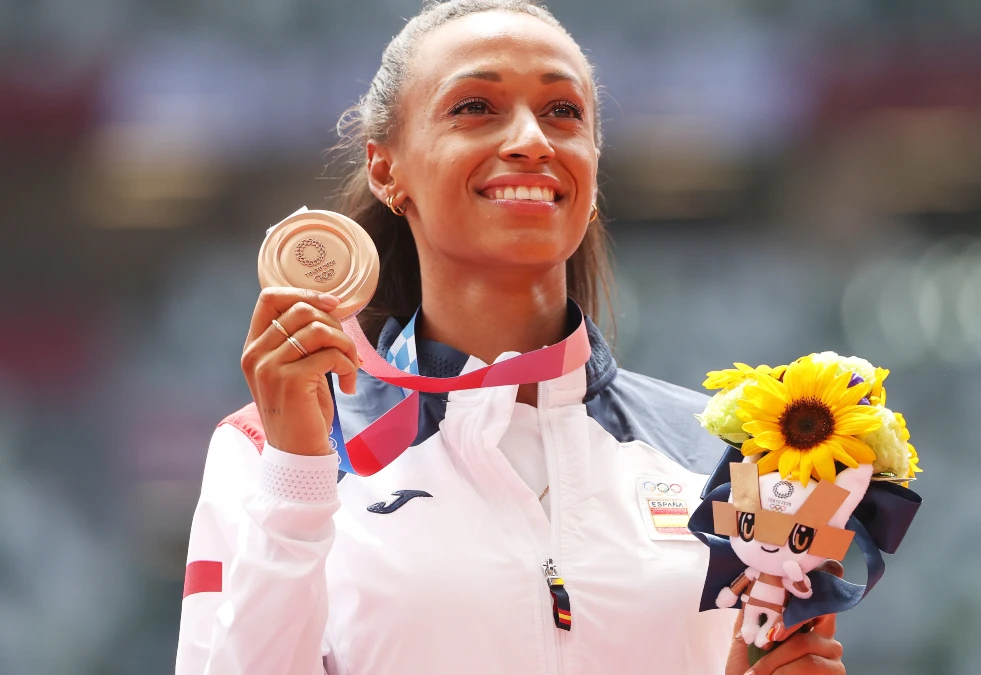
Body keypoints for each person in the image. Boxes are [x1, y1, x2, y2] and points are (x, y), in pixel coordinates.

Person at [176, 1, 847, 673]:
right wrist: (297, 476)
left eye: (564, 112)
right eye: (475, 107)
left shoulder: (724, 457)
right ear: (386, 169)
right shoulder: (274, 450)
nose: (532, 139)